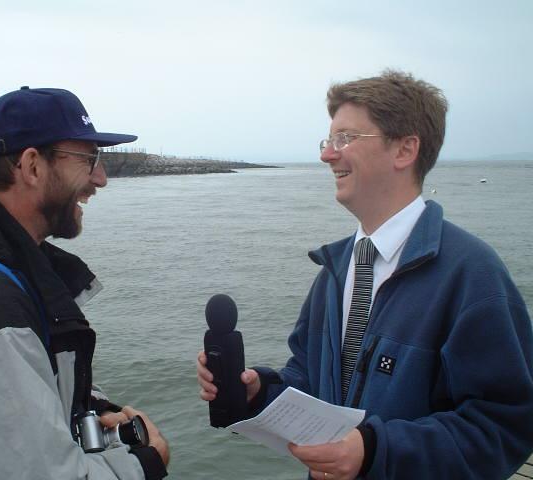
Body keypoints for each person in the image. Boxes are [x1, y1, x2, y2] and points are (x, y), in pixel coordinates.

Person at [197, 70, 533, 479]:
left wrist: (375, 450)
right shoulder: (335, 270)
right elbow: (308, 379)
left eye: (346, 138)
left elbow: (506, 425)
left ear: (405, 149)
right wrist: (259, 392)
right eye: (328, 140)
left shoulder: (471, 275)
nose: (327, 155)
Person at [0, 87, 169, 479]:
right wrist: (147, 464)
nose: (101, 178)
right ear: (32, 166)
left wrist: (94, 407)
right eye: (89, 158)